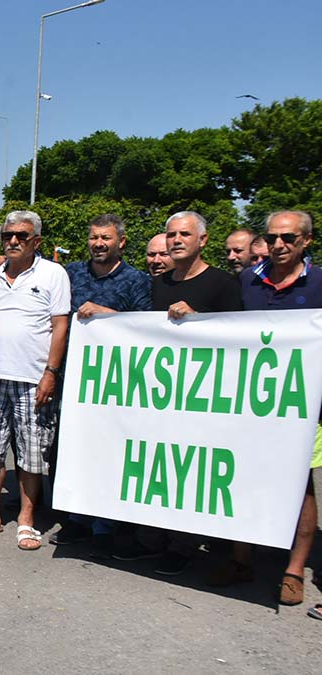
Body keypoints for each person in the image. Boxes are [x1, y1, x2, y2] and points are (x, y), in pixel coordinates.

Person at [124, 211, 242, 575]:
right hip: (161, 395)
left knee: (191, 469)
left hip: (203, 398)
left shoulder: (223, 284)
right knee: (158, 463)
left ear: (203, 240)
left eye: (184, 235)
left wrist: (199, 319)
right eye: (171, 234)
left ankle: (185, 543)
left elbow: (240, 336)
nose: (176, 240)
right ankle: (153, 538)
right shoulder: (158, 283)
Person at [214, 211, 319, 607]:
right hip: (249, 404)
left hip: (302, 406)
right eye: (273, 237)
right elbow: (225, 329)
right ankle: (242, 560)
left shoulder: (321, 282)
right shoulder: (248, 281)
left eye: (288, 238)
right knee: (244, 477)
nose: (279, 245)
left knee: (301, 488)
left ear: (306, 241)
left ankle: (293, 572)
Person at [0, 210, 70, 552]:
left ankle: (26, 519)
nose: (12, 241)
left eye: (21, 236)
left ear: (35, 241)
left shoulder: (54, 274)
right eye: (7, 235)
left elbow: (61, 326)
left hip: (33, 379)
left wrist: (50, 373)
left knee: (31, 454)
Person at [46, 214, 151, 557]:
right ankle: (75, 519)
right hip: (72, 382)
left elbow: (147, 328)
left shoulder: (137, 280)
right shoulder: (71, 273)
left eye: (105, 238)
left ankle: (105, 525)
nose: (98, 244)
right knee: (72, 450)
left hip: (114, 386)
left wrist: (109, 315)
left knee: (109, 453)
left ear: (121, 241)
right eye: (93, 237)